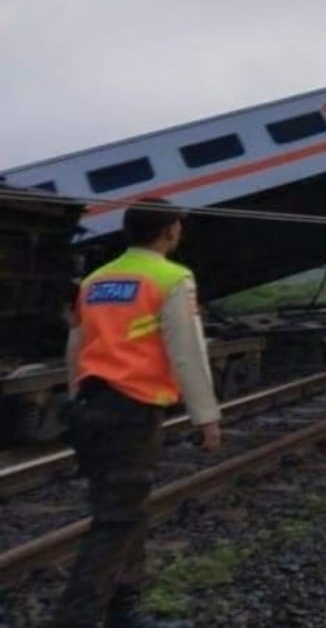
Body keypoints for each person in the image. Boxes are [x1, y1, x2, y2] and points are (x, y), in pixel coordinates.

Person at [51, 198, 222, 628]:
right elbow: (187, 352)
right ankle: (77, 618)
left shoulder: (95, 280)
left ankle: (123, 611)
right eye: (177, 226)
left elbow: (77, 348)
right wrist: (206, 415)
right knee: (116, 520)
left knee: (129, 511)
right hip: (133, 410)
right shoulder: (171, 277)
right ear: (168, 232)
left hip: (92, 406)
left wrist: (78, 402)